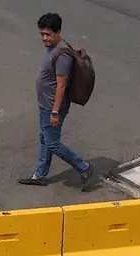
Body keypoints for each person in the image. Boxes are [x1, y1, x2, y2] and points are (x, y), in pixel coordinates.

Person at [18, 13, 95, 191]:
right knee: (44, 138)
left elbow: (61, 86)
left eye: (48, 34)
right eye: (42, 34)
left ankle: (84, 167)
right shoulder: (53, 48)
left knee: (52, 142)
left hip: (53, 106)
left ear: (58, 32)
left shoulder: (62, 56)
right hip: (46, 103)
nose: (44, 38)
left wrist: (54, 112)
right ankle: (40, 175)